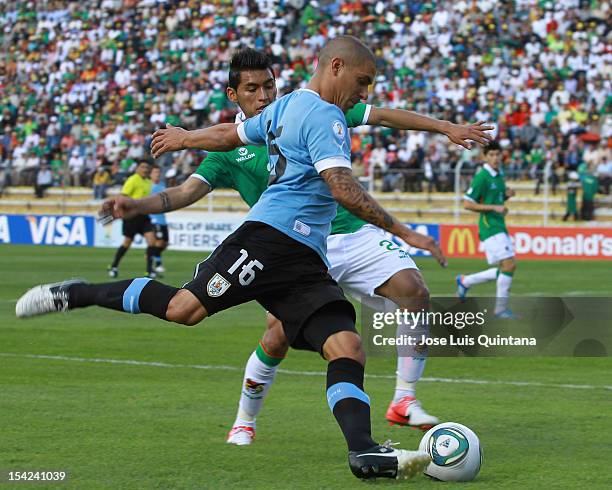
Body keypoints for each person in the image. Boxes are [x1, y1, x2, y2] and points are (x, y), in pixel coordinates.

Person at [16, 36, 433, 481]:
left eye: (267, 85)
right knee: (183, 309)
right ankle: (74, 293)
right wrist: (403, 230)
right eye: (363, 81)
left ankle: (365, 452)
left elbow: (231, 133)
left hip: (307, 257)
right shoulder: (322, 114)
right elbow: (341, 186)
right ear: (336, 67)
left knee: (346, 347)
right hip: (268, 239)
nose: (366, 92)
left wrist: (185, 138)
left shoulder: (288, 106)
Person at [146, 48, 491, 446]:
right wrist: (155, 183)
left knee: (414, 291)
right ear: (234, 95)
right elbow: (194, 182)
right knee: (276, 335)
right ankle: (244, 419)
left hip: (349, 230)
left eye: (269, 86)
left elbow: (380, 115)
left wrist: (444, 126)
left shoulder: (310, 110)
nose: (263, 95)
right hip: (293, 246)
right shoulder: (234, 147)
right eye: (253, 89)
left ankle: (403, 399)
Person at [456, 141, 519, 319]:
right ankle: (500, 310)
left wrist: (506, 195)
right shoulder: (482, 176)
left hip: (499, 225)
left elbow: (496, 197)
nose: (495, 158)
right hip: (489, 226)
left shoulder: (499, 175)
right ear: (485, 156)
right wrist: (494, 207)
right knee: (509, 264)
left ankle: (465, 281)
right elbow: (468, 203)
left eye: (498, 154)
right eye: (491, 155)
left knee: (504, 269)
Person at [107, 161, 157, 278]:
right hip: (131, 216)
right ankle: (114, 266)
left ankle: (149, 271)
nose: (145, 169)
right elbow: (123, 196)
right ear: (137, 169)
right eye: (142, 167)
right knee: (127, 243)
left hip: (143, 215)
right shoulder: (132, 180)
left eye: (147, 167)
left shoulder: (148, 182)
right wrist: (120, 211)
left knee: (152, 241)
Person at [149, 165, 169, 275]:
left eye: (158, 172)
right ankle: (157, 264)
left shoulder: (162, 185)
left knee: (164, 243)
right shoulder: (148, 186)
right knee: (159, 241)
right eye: (155, 172)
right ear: (151, 174)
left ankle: (151, 255)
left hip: (162, 219)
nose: (157, 174)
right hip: (153, 219)